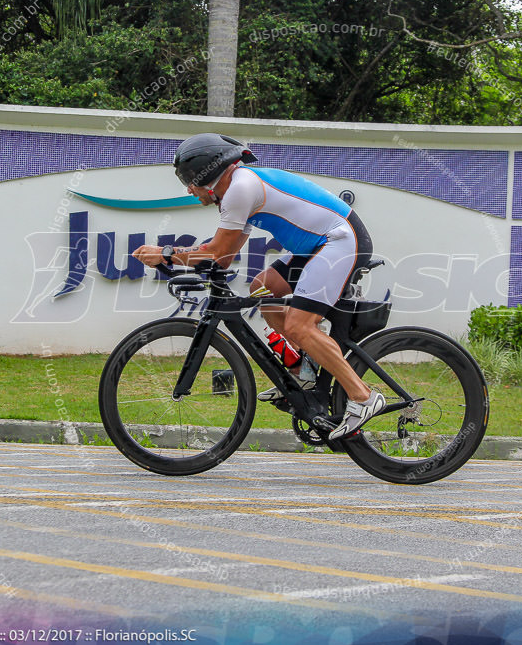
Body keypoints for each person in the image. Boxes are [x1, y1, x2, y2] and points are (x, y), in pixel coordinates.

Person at [132, 133, 385, 440]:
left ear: (208, 173)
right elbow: (223, 258)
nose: (189, 189)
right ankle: (303, 371)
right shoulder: (236, 191)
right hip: (317, 247)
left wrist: (166, 253)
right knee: (262, 289)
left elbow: (214, 253)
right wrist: (175, 262)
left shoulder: (241, 187)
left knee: (299, 326)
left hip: (340, 241)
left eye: (189, 180)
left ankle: (363, 397)